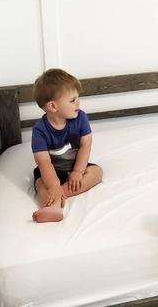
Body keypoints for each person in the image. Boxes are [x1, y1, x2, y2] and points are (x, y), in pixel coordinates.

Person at [31, 68, 103, 223]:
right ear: (53, 106)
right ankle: (53, 207)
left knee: (96, 172)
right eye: (72, 100)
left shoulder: (80, 118)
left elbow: (86, 145)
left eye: (78, 98)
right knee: (41, 184)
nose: (78, 103)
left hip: (75, 166)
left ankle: (57, 199)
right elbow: (43, 161)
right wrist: (53, 184)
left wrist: (77, 171)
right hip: (51, 170)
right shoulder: (39, 130)